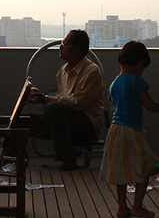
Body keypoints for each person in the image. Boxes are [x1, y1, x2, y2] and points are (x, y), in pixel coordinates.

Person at [99, 40, 159, 218]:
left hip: (115, 130)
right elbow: (150, 105)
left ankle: (122, 207)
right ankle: (137, 207)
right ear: (139, 64)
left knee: (121, 169)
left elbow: (115, 110)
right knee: (146, 167)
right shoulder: (136, 82)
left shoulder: (114, 83)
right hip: (131, 130)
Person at [27, 29, 104, 171]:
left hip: (87, 123)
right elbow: (63, 101)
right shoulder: (62, 71)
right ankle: (12, 160)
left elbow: (78, 103)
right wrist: (40, 99)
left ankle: (68, 159)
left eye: (64, 45)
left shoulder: (92, 71)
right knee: (24, 121)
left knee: (52, 108)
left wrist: (46, 99)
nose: (60, 48)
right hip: (65, 121)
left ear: (76, 51)